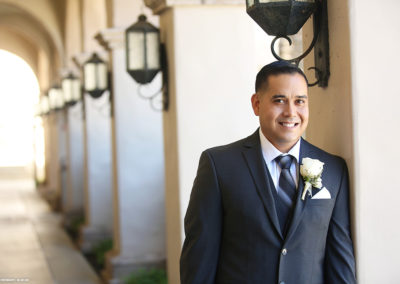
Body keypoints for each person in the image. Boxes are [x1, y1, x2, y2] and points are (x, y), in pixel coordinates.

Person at [180, 61, 356, 284]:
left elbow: (340, 260)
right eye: (279, 100)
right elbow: (199, 259)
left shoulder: (334, 170)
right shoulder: (218, 166)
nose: (291, 112)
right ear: (256, 104)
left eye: (299, 101)